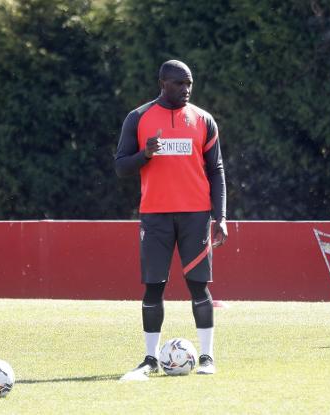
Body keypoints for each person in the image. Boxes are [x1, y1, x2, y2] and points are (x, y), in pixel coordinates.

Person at [114, 60, 228, 377]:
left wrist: (220, 216)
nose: (186, 90)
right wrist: (145, 155)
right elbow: (121, 166)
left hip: (195, 216)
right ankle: (150, 359)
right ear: (163, 83)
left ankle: (207, 358)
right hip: (155, 217)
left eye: (189, 84)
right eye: (180, 84)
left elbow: (216, 171)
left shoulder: (204, 120)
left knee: (198, 285)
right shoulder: (137, 118)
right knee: (153, 286)